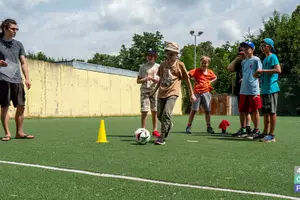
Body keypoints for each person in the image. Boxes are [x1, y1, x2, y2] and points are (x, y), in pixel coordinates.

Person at [151, 42, 196, 145]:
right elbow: (161, 78)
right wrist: (154, 91)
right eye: (168, 53)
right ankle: (169, 125)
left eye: (172, 54)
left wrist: (191, 94)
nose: (170, 56)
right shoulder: (162, 64)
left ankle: (162, 137)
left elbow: (187, 80)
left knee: (166, 113)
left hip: (173, 92)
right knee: (159, 115)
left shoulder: (180, 65)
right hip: (162, 92)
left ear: (177, 54)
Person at [0, 19, 34, 141]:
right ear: (5, 28)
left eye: (16, 29)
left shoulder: (19, 44)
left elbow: (23, 63)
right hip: (2, 79)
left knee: (21, 105)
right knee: (4, 106)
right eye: (13, 29)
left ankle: (19, 132)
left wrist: (27, 78)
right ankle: (7, 133)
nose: (15, 31)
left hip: (17, 79)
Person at [254, 38, 281, 142]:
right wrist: (258, 74)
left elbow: (278, 70)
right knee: (265, 112)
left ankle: (271, 135)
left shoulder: (273, 57)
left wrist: (263, 70)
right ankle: (265, 132)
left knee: (272, 112)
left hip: (271, 89)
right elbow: (264, 73)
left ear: (270, 47)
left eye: (264, 45)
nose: (262, 47)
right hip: (265, 90)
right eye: (261, 46)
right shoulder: (264, 59)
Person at [185, 56, 217, 134]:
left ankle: (209, 127)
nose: (203, 64)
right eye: (202, 63)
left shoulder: (210, 72)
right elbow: (187, 74)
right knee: (194, 110)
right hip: (197, 93)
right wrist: (192, 78)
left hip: (206, 93)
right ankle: (189, 126)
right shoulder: (196, 71)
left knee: (207, 111)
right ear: (200, 63)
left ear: (208, 64)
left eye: (205, 63)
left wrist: (210, 82)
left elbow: (215, 77)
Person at [238, 41, 262, 139]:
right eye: (244, 48)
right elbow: (245, 73)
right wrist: (244, 79)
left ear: (252, 49)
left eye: (248, 48)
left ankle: (256, 130)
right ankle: (244, 130)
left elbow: (260, 71)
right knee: (243, 110)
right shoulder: (243, 62)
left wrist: (255, 76)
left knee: (255, 110)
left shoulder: (256, 60)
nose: (246, 50)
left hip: (253, 90)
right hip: (243, 90)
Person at [227, 47, 252, 137]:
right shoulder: (239, 63)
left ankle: (248, 128)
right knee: (241, 110)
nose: (242, 54)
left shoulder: (250, 61)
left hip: (249, 89)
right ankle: (243, 128)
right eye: (240, 53)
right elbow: (229, 68)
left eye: (243, 52)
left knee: (248, 110)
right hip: (240, 89)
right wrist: (236, 58)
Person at [137, 48, 160, 137]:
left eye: (152, 55)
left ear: (155, 57)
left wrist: (157, 80)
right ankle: (143, 130)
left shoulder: (158, 67)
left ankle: (155, 130)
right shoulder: (143, 67)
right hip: (144, 91)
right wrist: (145, 79)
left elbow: (162, 79)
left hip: (155, 90)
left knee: (155, 110)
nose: (150, 57)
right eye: (148, 55)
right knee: (144, 110)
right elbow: (138, 80)